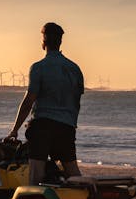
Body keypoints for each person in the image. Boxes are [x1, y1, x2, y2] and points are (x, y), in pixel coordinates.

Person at [7, 22, 84, 185]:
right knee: (72, 172)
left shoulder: (38, 67)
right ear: (60, 41)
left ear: (43, 41)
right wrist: (71, 124)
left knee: (36, 174)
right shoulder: (75, 69)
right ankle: (87, 197)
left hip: (42, 127)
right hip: (67, 127)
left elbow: (29, 101)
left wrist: (14, 130)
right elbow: (76, 102)